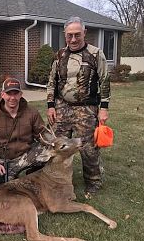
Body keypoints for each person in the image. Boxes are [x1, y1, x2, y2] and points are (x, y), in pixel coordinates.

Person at [46, 16, 110, 197]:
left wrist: (103, 108)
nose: (73, 39)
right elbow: (51, 82)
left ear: (84, 33)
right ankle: (56, 180)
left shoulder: (96, 54)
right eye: (69, 35)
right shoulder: (59, 55)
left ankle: (93, 182)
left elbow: (105, 82)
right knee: (57, 146)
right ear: (65, 35)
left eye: (77, 35)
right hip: (62, 107)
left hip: (87, 109)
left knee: (88, 148)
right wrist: (51, 106)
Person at [0, 77, 46, 191]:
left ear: (21, 94)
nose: (12, 98)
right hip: (4, 159)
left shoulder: (32, 112)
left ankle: (33, 176)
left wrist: (53, 146)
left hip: (26, 156)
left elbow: (42, 135)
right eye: (9, 94)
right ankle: (14, 176)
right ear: (2, 95)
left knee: (48, 154)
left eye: (16, 93)